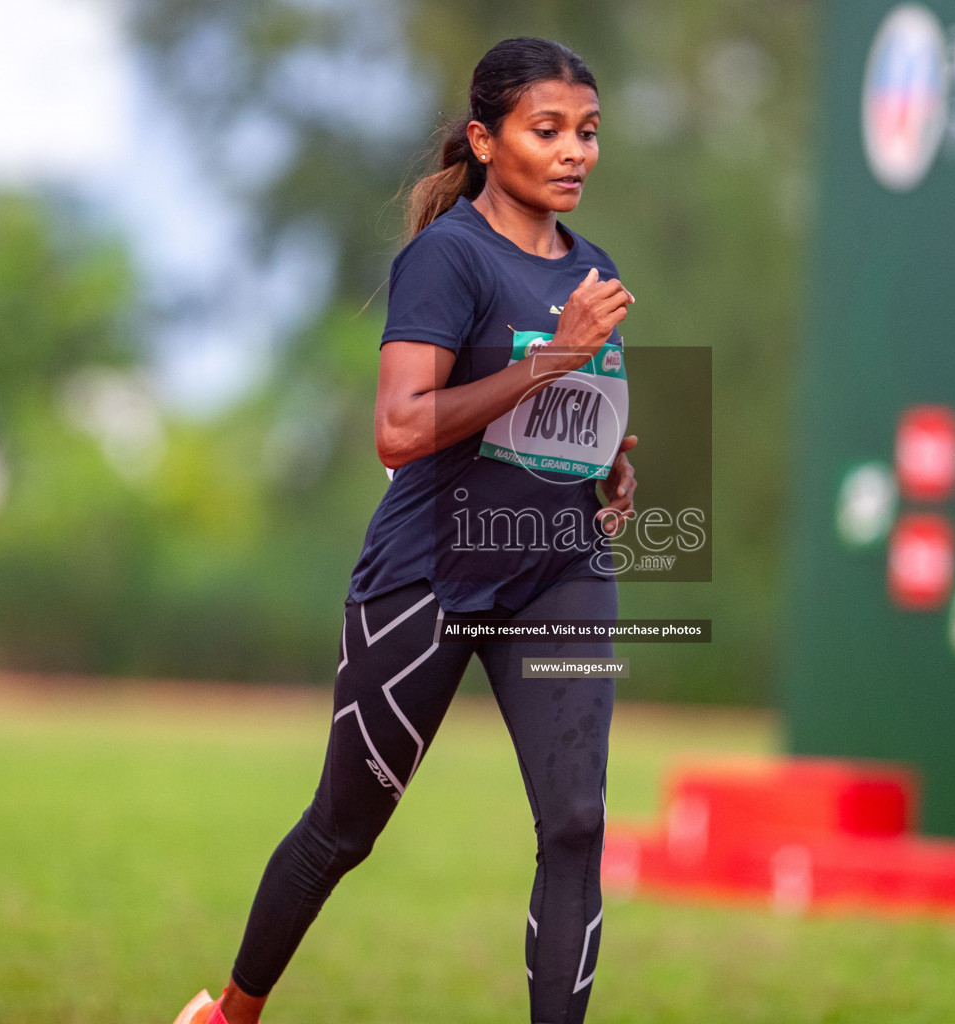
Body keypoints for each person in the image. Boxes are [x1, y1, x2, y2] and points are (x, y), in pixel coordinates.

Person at [174, 36, 638, 1024]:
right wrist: (554, 358)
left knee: (576, 825)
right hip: (430, 572)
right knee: (344, 827)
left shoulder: (593, 267)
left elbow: (563, 421)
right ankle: (231, 1016)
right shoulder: (446, 258)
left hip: (558, 566)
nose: (574, 152)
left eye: (588, 133)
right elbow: (401, 425)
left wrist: (608, 462)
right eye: (546, 129)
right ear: (484, 138)